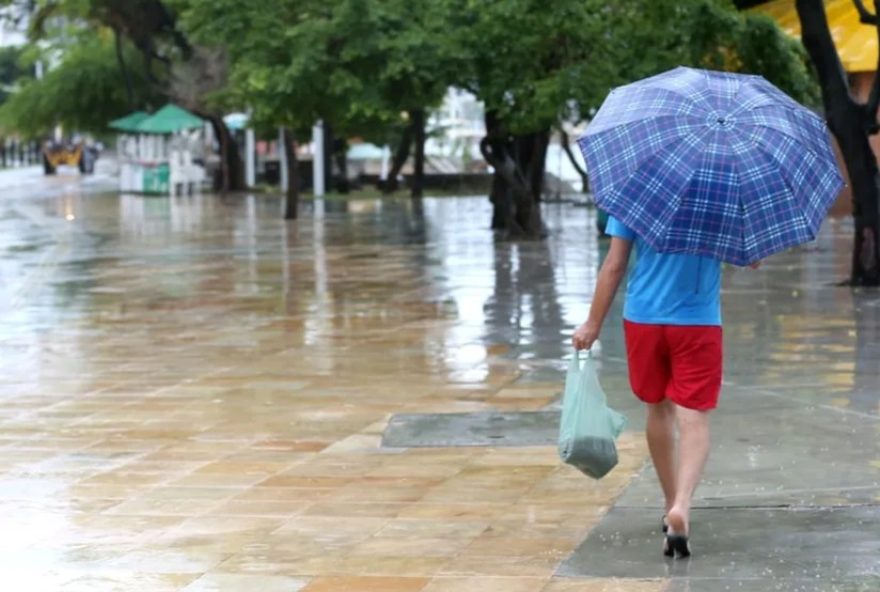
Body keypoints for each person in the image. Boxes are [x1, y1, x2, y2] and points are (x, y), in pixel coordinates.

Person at [572, 215, 758, 559]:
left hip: (644, 318)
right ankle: (682, 507)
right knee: (694, 416)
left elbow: (614, 264)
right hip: (697, 322)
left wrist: (593, 323)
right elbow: (752, 258)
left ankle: (669, 500)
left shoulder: (638, 191)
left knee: (657, 408)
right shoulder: (720, 195)